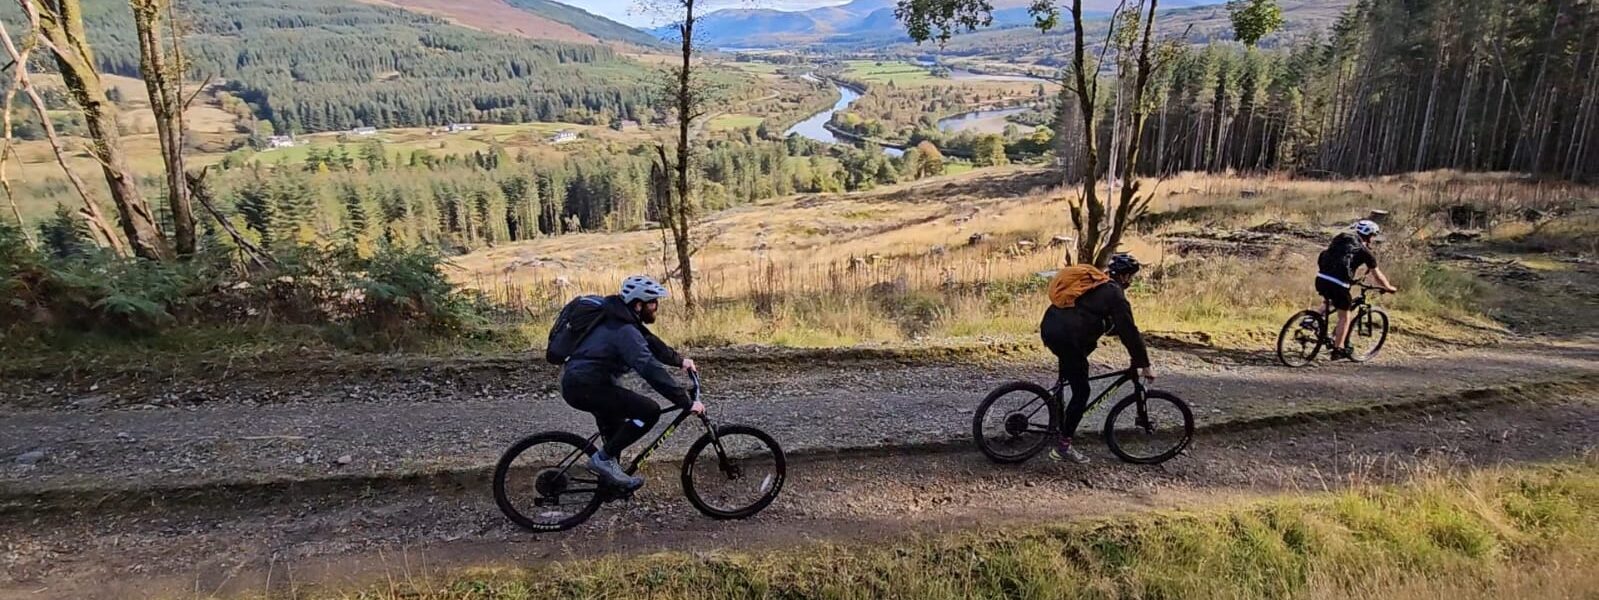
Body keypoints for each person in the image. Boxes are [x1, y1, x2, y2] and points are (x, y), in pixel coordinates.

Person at [561, 275, 702, 491]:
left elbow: (650, 342)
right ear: (638, 304)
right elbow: (649, 368)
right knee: (648, 412)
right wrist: (685, 401)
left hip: (585, 383)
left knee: (616, 430)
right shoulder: (624, 331)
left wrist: (680, 361)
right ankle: (604, 460)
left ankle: (608, 483)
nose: (656, 307)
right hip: (585, 387)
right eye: (653, 302)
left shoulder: (622, 319)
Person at [1039, 253, 1153, 464]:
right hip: (1067, 337)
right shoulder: (1115, 294)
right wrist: (1144, 364)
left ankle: (1058, 409)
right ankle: (1063, 447)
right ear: (1126, 277)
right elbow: (1129, 331)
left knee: (1073, 371)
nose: (1131, 281)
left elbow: (1096, 319)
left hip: (1050, 327)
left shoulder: (1094, 284)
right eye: (1131, 277)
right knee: (1082, 391)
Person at [1315, 220, 1398, 360]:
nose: (1373, 239)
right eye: (1373, 236)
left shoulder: (1340, 239)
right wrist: (1388, 287)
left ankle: (1310, 320)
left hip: (1321, 278)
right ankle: (1338, 349)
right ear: (1369, 235)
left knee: (1330, 301)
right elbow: (1377, 275)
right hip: (1338, 283)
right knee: (1345, 316)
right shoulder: (1365, 251)